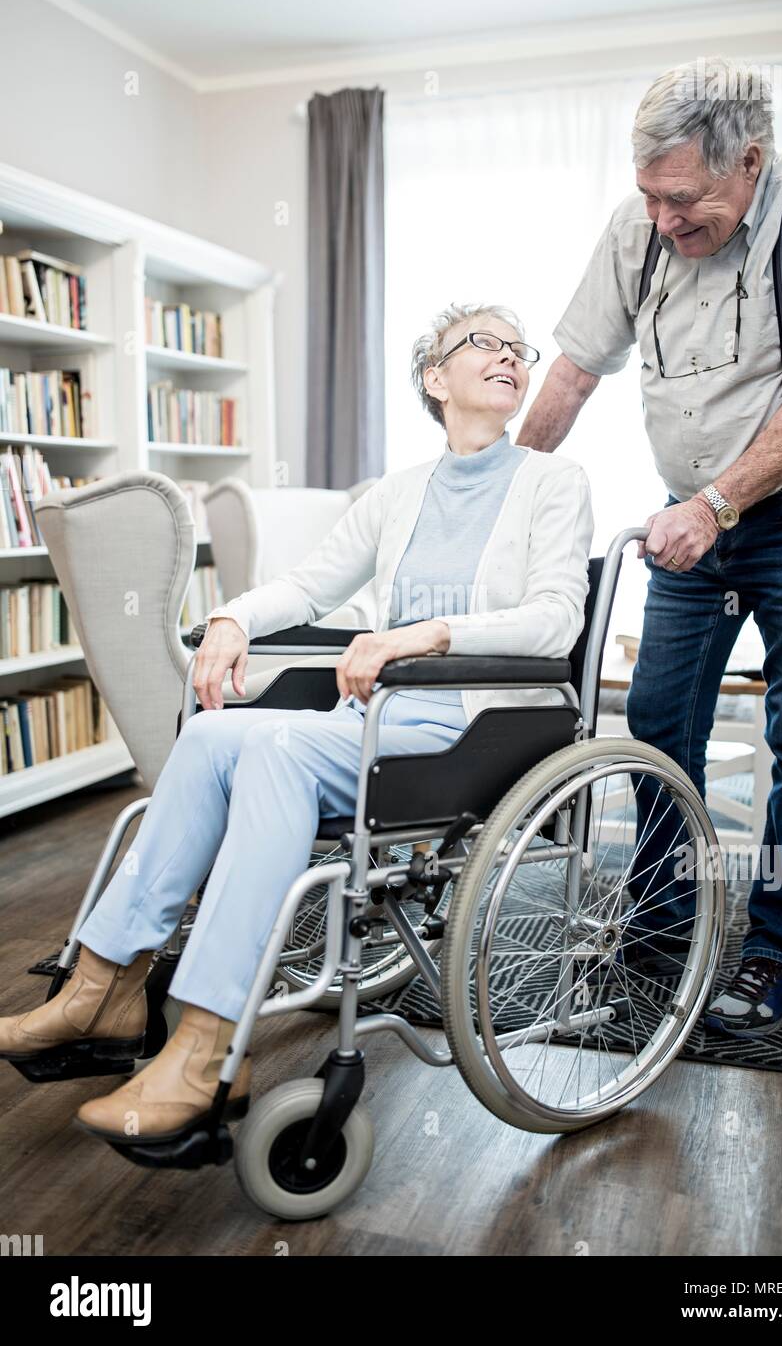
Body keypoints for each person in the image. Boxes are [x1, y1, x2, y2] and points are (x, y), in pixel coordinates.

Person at [0, 303, 593, 1144]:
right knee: (209, 735)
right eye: (483, 343)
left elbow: (555, 621)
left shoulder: (551, 482)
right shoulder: (399, 493)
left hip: (478, 732)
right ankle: (104, 990)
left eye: (517, 348)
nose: (509, 356)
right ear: (435, 378)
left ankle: (208, 1047)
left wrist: (423, 634)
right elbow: (312, 584)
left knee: (278, 747)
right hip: (379, 722)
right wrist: (233, 620)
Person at [517, 55, 782, 1037]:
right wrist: (498, 496)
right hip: (689, 523)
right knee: (657, 726)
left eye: (684, 201)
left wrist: (715, 503)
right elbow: (573, 371)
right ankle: (663, 916)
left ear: (747, 161)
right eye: (649, 197)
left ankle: (774, 948)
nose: (664, 220)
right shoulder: (640, 224)